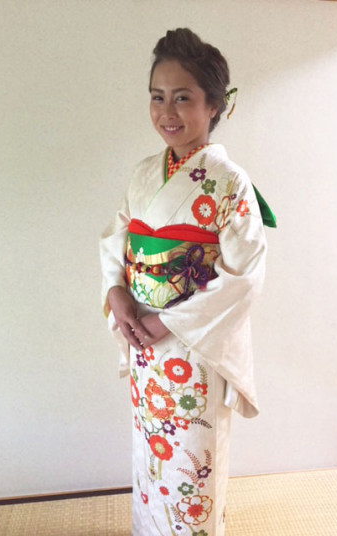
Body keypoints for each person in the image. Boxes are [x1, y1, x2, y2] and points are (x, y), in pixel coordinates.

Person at [100, 28, 272, 536]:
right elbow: (116, 239)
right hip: (143, 338)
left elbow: (243, 277)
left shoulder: (230, 183)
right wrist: (116, 291)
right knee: (151, 452)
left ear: (215, 105)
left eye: (183, 98)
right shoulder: (143, 174)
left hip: (195, 347)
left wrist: (168, 321)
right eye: (157, 97)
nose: (167, 112)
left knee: (192, 459)